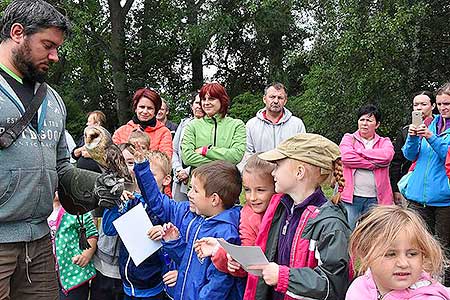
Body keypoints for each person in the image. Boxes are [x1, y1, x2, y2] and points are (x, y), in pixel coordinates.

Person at [0, 2, 111, 299]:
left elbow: (62, 167)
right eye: (47, 45)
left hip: (38, 243)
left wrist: (97, 186)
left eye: (57, 47)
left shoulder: (53, 100)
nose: (55, 56)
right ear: (18, 33)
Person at [245, 133, 351, 300]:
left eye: (278, 165)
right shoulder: (283, 208)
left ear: (299, 172)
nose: (273, 173)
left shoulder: (331, 224)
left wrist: (284, 277)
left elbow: (333, 284)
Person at [132, 154, 243, 300]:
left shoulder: (226, 234)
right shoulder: (186, 211)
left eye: (195, 191)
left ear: (214, 199)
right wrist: (142, 167)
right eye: (190, 188)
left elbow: (217, 286)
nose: (189, 194)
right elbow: (157, 202)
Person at [102, 144, 172, 299]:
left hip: (153, 286)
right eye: (141, 175)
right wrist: (115, 202)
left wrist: (163, 233)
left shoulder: (169, 210)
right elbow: (108, 230)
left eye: (150, 175)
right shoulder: (132, 201)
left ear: (166, 179)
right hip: (127, 284)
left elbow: (174, 250)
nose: (144, 181)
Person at [194, 154, 276, 279]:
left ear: (276, 187)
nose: (252, 198)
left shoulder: (284, 212)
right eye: (247, 190)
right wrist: (228, 258)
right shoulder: (248, 215)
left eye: (260, 190)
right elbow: (246, 256)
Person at [346, 205, 450, 300]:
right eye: (391, 254)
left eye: (412, 254)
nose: (403, 263)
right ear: (365, 256)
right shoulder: (359, 288)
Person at [403, 82, 450, 286]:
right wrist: (413, 138)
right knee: (416, 243)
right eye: (440, 104)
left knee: (444, 246)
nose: (443, 108)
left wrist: (431, 138)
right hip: (417, 196)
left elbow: (447, 155)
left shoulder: (433, 131)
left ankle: (443, 286)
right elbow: (409, 155)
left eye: (447, 103)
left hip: (443, 198)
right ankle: (419, 282)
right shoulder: (429, 123)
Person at [340, 104, 394, 229]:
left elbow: (387, 156)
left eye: (369, 120)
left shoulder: (384, 141)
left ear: (377, 124)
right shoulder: (349, 138)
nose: (364, 123)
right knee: (349, 232)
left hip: (376, 199)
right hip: (352, 198)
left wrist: (359, 152)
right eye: (362, 119)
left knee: (374, 233)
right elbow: (346, 157)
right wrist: (374, 164)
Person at [181, 82, 246, 168]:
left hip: (227, 179)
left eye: (211, 99)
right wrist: (222, 161)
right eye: (204, 99)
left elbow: (236, 156)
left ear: (222, 100)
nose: (206, 103)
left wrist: (205, 151)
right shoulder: (192, 126)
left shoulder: (237, 125)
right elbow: (187, 158)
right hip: (199, 180)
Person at [48, 192, 98, 300]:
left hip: (74, 274)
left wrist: (86, 255)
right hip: (47, 275)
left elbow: (91, 233)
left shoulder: (75, 209)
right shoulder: (41, 211)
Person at [390, 92, 436, 205]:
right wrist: (395, 188)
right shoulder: (406, 131)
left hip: (436, 184)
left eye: (423, 104)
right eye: (416, 105)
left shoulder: (441, 127)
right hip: (410, 184)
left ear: (433, 106)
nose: (419, 107)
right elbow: (396, 161)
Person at [246, 82, 306, 153]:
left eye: (280, 98)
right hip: (260, 164)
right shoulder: (251, 125)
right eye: (272, 97)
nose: (276, 101)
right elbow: (247, 154)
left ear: (285, 101)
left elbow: (302, 153)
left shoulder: (297, 124)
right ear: (264, 99)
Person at [113, 88, 173, 158]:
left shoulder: (164, 132)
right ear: (135, 108)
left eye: (149, 108)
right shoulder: (120, 132)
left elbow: (166, 161)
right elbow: (113, 159)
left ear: (155, 111)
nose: (145, 111)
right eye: (142, 107)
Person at [172, 92, 205, 201]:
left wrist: (187, 171)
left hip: (200, 178)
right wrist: (178, 170)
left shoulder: (211, 127)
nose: (199, 106)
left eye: (202, 102)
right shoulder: (184, 124)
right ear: (192, 105)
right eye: (196, 102)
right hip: (179, 179)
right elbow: (174, 150)